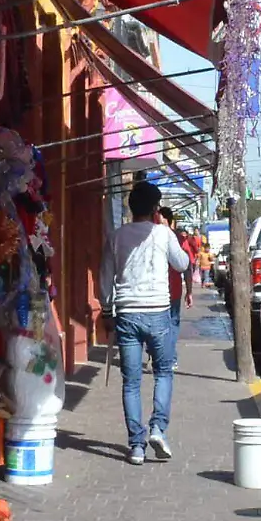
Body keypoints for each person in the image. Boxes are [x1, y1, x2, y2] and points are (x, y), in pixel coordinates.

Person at [101, 183, 191, 465]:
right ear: (155, 208)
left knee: (131, 383)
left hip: (127, 314)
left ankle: (136, 447)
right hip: (158, 312)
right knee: (163, 372)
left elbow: (105, 278)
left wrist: (106, 310)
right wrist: (167, 230)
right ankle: (157, 429)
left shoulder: (116, 237)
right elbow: (183, 263)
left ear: (130, 207)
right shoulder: (163, 233)